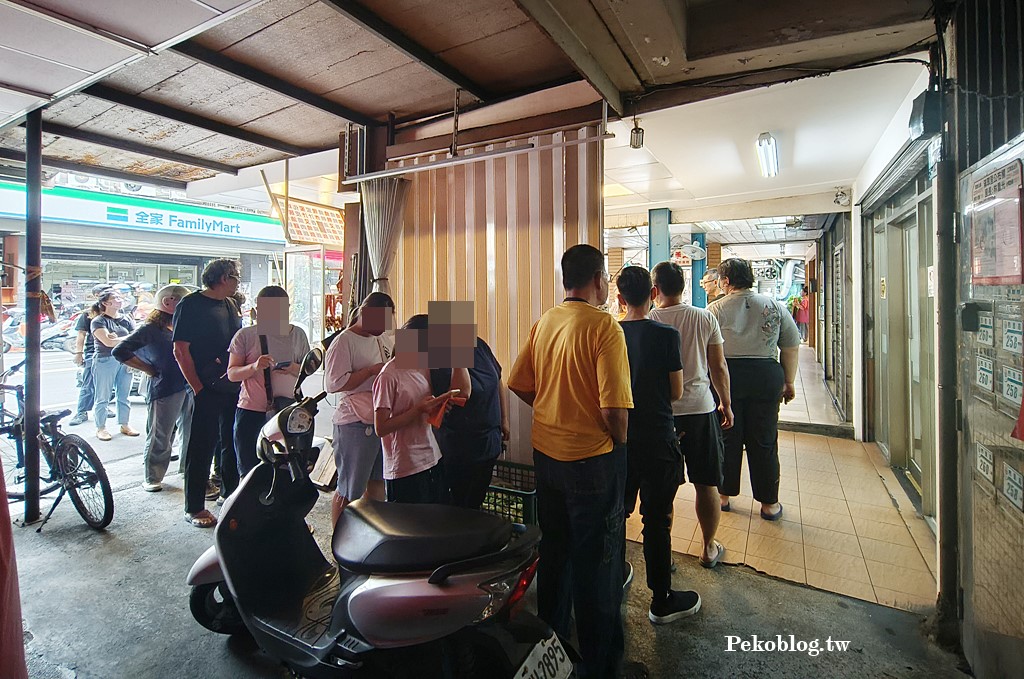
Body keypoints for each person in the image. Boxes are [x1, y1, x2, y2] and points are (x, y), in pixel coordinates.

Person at [508, 244, 640, 679]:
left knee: (556, 554)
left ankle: (554, 654)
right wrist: (617, 441)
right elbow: (614, 412)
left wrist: (551, 411)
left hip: (548, 458)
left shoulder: (546, 321)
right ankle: (600, 668)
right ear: (599, 279)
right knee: (597, 568)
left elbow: (517, 381)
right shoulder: (605, 327)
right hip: (592, 464)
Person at [615, 266, 705, 625]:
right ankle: (661, 599)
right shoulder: (666, 335)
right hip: (657, 437)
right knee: (656, 519)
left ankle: (615, 575)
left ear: (619, 298)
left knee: (616, 513)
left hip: (619, 438)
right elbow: (676, 391)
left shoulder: (611, 333)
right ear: (653, 295)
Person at [650, 261, 734, 569]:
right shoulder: (704, 317)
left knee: (663, 487)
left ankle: (665, 552)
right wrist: (725, 402)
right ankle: (708, 547)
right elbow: (718, 367)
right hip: (700, 409)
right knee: (706, 483)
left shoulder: (647, 319)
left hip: (662, 415)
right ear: (684, 286)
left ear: (654, 290)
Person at [708, 258, 800, 521]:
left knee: (727, 437)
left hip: (729, 377)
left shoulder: (714, 309)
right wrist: (789, 381)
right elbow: (791, 344)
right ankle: (769, 503)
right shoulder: (774, 306)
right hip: (765, 376)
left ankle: (724, 497)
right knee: (765, 439)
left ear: (725, 282)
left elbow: (707, 351)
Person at [403, 310, 510, 509]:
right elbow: (463, 393)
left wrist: (504, 420)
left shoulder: (479, 346)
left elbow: (497, 379)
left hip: (488, 442)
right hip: (458, 446)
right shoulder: (434, 360)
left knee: (474, 502)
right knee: (457, 505)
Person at [172, 259, 243, 528]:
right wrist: (197, 387)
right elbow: (180, 351)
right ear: (223, 277)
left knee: (230, 441)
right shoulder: (190, 305)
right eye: (235, 277)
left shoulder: (230, 304)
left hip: (230, 383)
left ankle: (229, 493)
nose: (237, 282)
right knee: (200, 445)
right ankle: (194, 506)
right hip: (204, 386)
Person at [372, 319, 471, 504]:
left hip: (432, 457)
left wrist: (437, 407)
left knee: (436, 522)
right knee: (411, 527)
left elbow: (463, 393)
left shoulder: (422, 366)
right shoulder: (388, 376)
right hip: (405, 466)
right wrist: (419, 410)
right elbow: (381, 427)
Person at [324, 292, 396, 526]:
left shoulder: (384, 338)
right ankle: (339, 543)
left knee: (377, 482)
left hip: (379, 419)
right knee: (349, 489)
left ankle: (370, 534)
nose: (384, 326)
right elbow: (334, 384)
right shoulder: (344, 341)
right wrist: (371, 371)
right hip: (354, 422)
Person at [112, 285, 193, 492]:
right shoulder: (150, 329)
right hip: (164, 386)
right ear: (168, 302)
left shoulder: (180, 326)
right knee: (160, 433)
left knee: (189, 431)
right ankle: (153, 476)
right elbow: (120, 350)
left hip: (187, 384)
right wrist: (147, 368)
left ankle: (188, 470)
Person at [227, 286, 310, 477]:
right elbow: (232, 373)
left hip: (288, 411)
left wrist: (293, 368)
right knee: (250, 470)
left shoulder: (298, 334)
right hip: (252, 411)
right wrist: (254, 367)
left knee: (287, 469)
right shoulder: (246, 335)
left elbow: (308, 368)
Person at [90, 290, 139, 442]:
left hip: (125, 358)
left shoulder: (126, 318)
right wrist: (126, 339)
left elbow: (137, 338)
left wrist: (119, 338)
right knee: (103, 396)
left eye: (119, 297)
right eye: (115, 298)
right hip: (105, 359)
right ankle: (101, 427)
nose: (119, 300)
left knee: (124, 395)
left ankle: (124, 424)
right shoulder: (98, 321)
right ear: (105, 303)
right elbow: (108, 342)